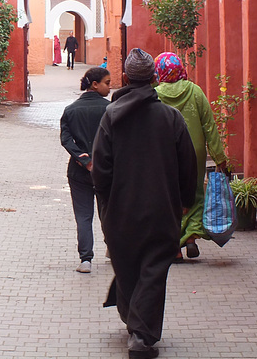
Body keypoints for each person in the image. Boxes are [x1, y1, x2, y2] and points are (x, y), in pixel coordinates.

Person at [91, 48, 197, 359]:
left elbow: (101, 167)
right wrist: (184, 202)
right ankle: (140, 332)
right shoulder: (170, 117)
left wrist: (106, 206)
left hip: (120, 212)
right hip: (161, 209)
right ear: (153, 79)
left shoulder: (111, 117)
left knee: (128, 266)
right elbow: (187, 164)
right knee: (153, 269)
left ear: (124, 78)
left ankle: (136, 327)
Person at [154, 52, 227, 261]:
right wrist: (219, 156)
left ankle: (175, 248)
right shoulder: (195, 91)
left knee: (170, 198)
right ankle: (190, 239)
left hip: (165, 154)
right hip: (194, 153)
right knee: (194, 195)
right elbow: (209, 126)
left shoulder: (156, 94)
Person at [60, 67, 111, 273]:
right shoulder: (111, 109)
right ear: (95, 84)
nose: (109, 87)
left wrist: (84, 159)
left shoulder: (71, 110)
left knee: (83, 215)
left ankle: (85, 260)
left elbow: (66, 140)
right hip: (107, 170)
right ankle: (113, 251)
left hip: (78, 171)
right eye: (107, 83)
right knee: (107, 212)